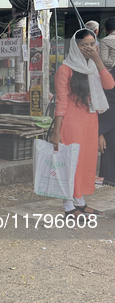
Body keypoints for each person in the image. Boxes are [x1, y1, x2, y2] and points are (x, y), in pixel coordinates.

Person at [50, 29, 115, 217]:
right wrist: (56, 130)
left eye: (92, 44)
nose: (89, 48)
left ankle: (80, 202)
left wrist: (97, 60)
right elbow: (61, 102)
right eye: (84, 45)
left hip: (90, 121)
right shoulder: (65, 69)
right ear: (75, 47)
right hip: (71, 123)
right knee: (71, 163)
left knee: (87, 162)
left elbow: (110, 84)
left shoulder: (92, 67)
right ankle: (68, 206)